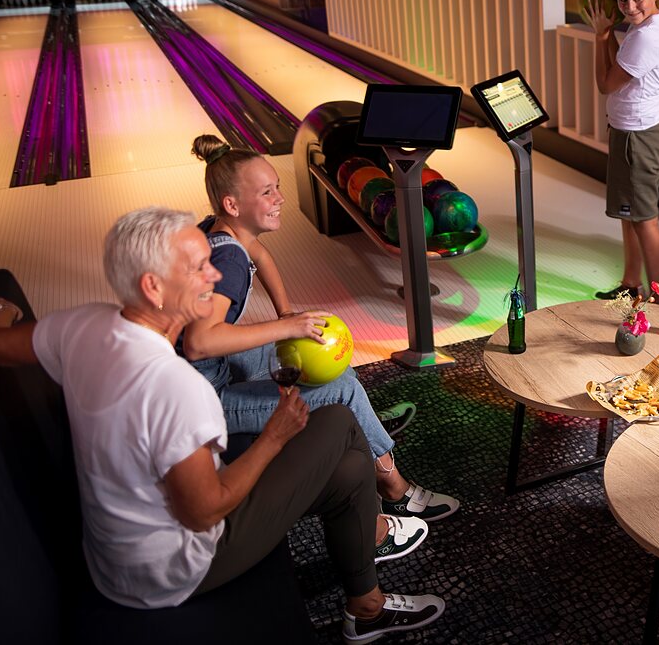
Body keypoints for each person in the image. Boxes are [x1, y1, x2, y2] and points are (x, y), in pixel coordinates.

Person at [0, 207, 444, 641]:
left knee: (350, 467)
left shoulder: (83, 324)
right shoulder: (177, 388)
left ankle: (367, 604)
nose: (215, 273)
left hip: (116, 554)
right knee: (337, 420)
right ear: (153, 287)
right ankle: (374, 556)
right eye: (198, 267)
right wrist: (273, 437)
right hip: (172, 571)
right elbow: (203, 511)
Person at [182, 135, 458, 523]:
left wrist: (286, 314)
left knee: (333, 363)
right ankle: (394, 488)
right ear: (232, 204)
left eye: (277, 186)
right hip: (204, 404)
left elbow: (260, 255)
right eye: (266, 192)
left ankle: (366, 428)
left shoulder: (218, 231)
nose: (280, 198)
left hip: (206, 375)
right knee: (342, 387)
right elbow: (199, 342)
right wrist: (284, 327)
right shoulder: (228, 261)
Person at [583, 0, 659, 300]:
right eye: (623, 0)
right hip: (634, 131)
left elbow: (605, 83)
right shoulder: (644, 28)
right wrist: (608, 32)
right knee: (630, 214)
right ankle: (630, 283)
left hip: (640, 137)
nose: (630, 7)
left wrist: (599, 37)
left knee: (644, 218)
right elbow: (618, 67)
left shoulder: (647, 37)